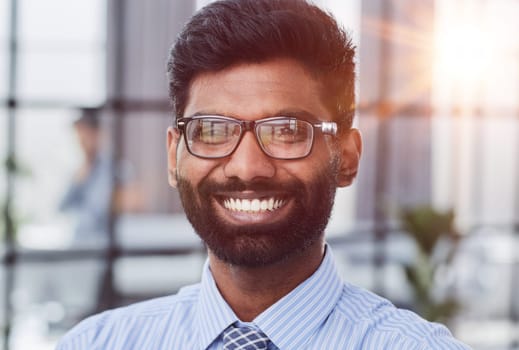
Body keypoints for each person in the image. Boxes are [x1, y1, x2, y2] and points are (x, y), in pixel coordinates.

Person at [57, 0, 471, 349]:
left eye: (288, 131)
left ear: (346, 157)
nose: (247, 168)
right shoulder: (97, 343)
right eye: (213, 130)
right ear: (174, 157)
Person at [59, 108, 113, 244]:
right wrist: (78, 181)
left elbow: (96, 211)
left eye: (84, 134)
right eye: (78, 135)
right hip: (77, 243)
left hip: (101, 245)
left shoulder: (113, 170)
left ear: (97, 134)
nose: (80, 141)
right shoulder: (79, 171)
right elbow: (60, 208)